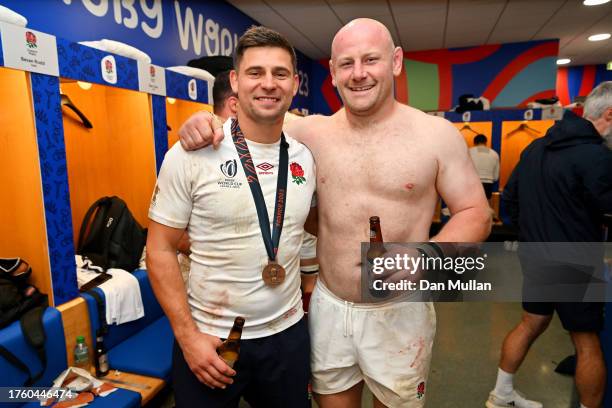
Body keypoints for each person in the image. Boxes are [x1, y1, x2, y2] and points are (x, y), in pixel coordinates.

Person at [179, 18, 491, 408]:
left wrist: (426, 257)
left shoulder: (436, 135)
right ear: (332, 73)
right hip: (331, 306)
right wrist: (205, 122)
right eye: (346, 63)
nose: (358, 74)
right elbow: (247, 124)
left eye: (370, 60)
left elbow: (475, 211)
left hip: (399, 310)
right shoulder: (308, 134)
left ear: (395, 62)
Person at [146, 26, 316, 408]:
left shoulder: (306, 157)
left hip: (286, 336)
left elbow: (311, 228)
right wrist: (187, 337)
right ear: (236, 82)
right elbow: (159, 249)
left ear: (294, 84)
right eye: (256, 72)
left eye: (280, 73)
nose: (268, 84)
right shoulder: (190, 153)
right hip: (210, 339)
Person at [489, 81, 612, 408]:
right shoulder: (597, 156)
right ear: (609, 115)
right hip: (576, 260)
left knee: (532, 322)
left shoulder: (535, 148)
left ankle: (501, 394)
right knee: (586, 342)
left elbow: (510, 200)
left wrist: (529, 234)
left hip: (536, 255)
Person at [469, 134, 499, 200]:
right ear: (486, 142)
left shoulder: (469, 152)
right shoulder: (494, 154)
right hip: (488, 185)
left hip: (472, 183)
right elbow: (496, 177)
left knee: (471, 206)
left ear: (474, 142)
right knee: (485, 207)